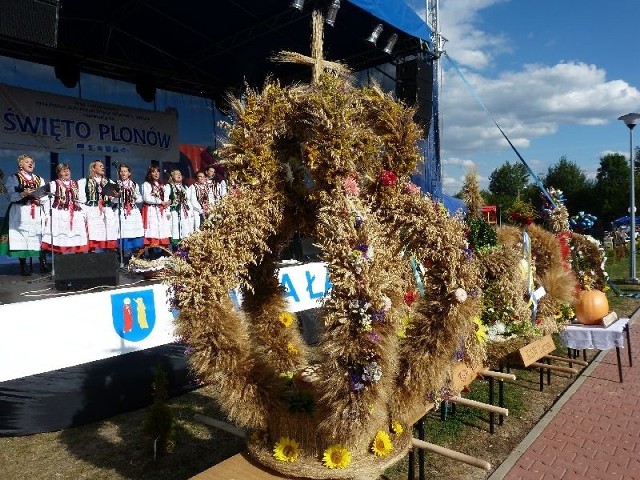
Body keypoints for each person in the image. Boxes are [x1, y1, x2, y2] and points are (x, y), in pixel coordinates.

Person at [0, 154, 50, 275]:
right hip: (20, 210)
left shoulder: (39, 179)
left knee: (39, 235)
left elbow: (46, 196)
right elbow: (11, 196)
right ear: (20, 164)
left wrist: (40, 200)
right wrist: (23, 194)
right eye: (27, 162)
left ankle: (43, 263)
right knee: (21, 236)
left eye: (32, 162)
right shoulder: (14, 178)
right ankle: (23, 265)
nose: (30, 163)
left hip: (36, 211)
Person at [41, 163, 88, 254]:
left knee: (76, 237)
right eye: (63, 171)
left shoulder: (76, 184)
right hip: (60, 213)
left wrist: (83, 214)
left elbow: (82, 200)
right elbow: (46, 199)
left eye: (67, 170)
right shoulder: (54, 184)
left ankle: (78, 261)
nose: (66, 172)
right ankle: (61, 260)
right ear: (59, 173)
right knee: (61, 237)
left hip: (75, 214)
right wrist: (47, 214)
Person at [77, 160, 119, 252]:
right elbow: (81, 199)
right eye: (100, 166)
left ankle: (111, 255)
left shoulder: (108, 181)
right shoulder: (85, 181)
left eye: (103, 166)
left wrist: (115, 196)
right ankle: (93, 255)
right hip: (93, 210)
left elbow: (114, 199)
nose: (103, 167)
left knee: (109, 231)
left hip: (107, 209)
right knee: (94, 232)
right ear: (93, 168)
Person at [113, 163, 144, 253]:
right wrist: (117, 196)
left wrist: (134, 198)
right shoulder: (116, 183)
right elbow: (113, 200)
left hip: (132, 210)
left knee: (133, 230)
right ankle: (122, 252)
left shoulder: (134, 184)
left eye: (125, 171)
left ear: (129, 173)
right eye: (121, 171)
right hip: (121, 209)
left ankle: (134, 252)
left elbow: (140, 199)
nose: (123, 173)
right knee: (122, 231)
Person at [141, 165, 171, 247]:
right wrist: (160, 201)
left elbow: (166, 197)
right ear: (150, 174)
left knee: (161, 229)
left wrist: (168, 202)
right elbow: (147, 198)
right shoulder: (146, 184)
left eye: (158, 171)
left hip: (161, 210)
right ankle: (151, 251)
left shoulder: (162, 185)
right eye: (153, 172)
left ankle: (162, 251)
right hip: (151, 209)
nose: (156, 173)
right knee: (152, 229)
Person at [167, 168, 195, 246]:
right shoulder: (169, 187)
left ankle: (184, 248)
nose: (179, 175)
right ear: (172, 177)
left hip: (184, 211)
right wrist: (167, 212)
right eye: (176, 174)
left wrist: (191, 211)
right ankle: (176, 249)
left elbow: (189, 200)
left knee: (185, 228)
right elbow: (166, 200)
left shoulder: (185, 187)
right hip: (174, 211)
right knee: (175, 228)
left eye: (180, 173)